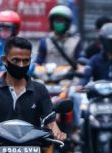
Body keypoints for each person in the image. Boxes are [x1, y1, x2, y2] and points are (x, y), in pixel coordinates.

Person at [36, 5, 83, 136]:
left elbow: (81, 62)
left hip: (68, 81)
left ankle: (75, 129)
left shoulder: (76, 41)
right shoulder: (45, 41)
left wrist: (80, 72)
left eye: (62, 21)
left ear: (67, 23)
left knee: (76, 97)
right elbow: (38, 61)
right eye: (56, 21)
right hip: (47, 80)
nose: (58, 24)